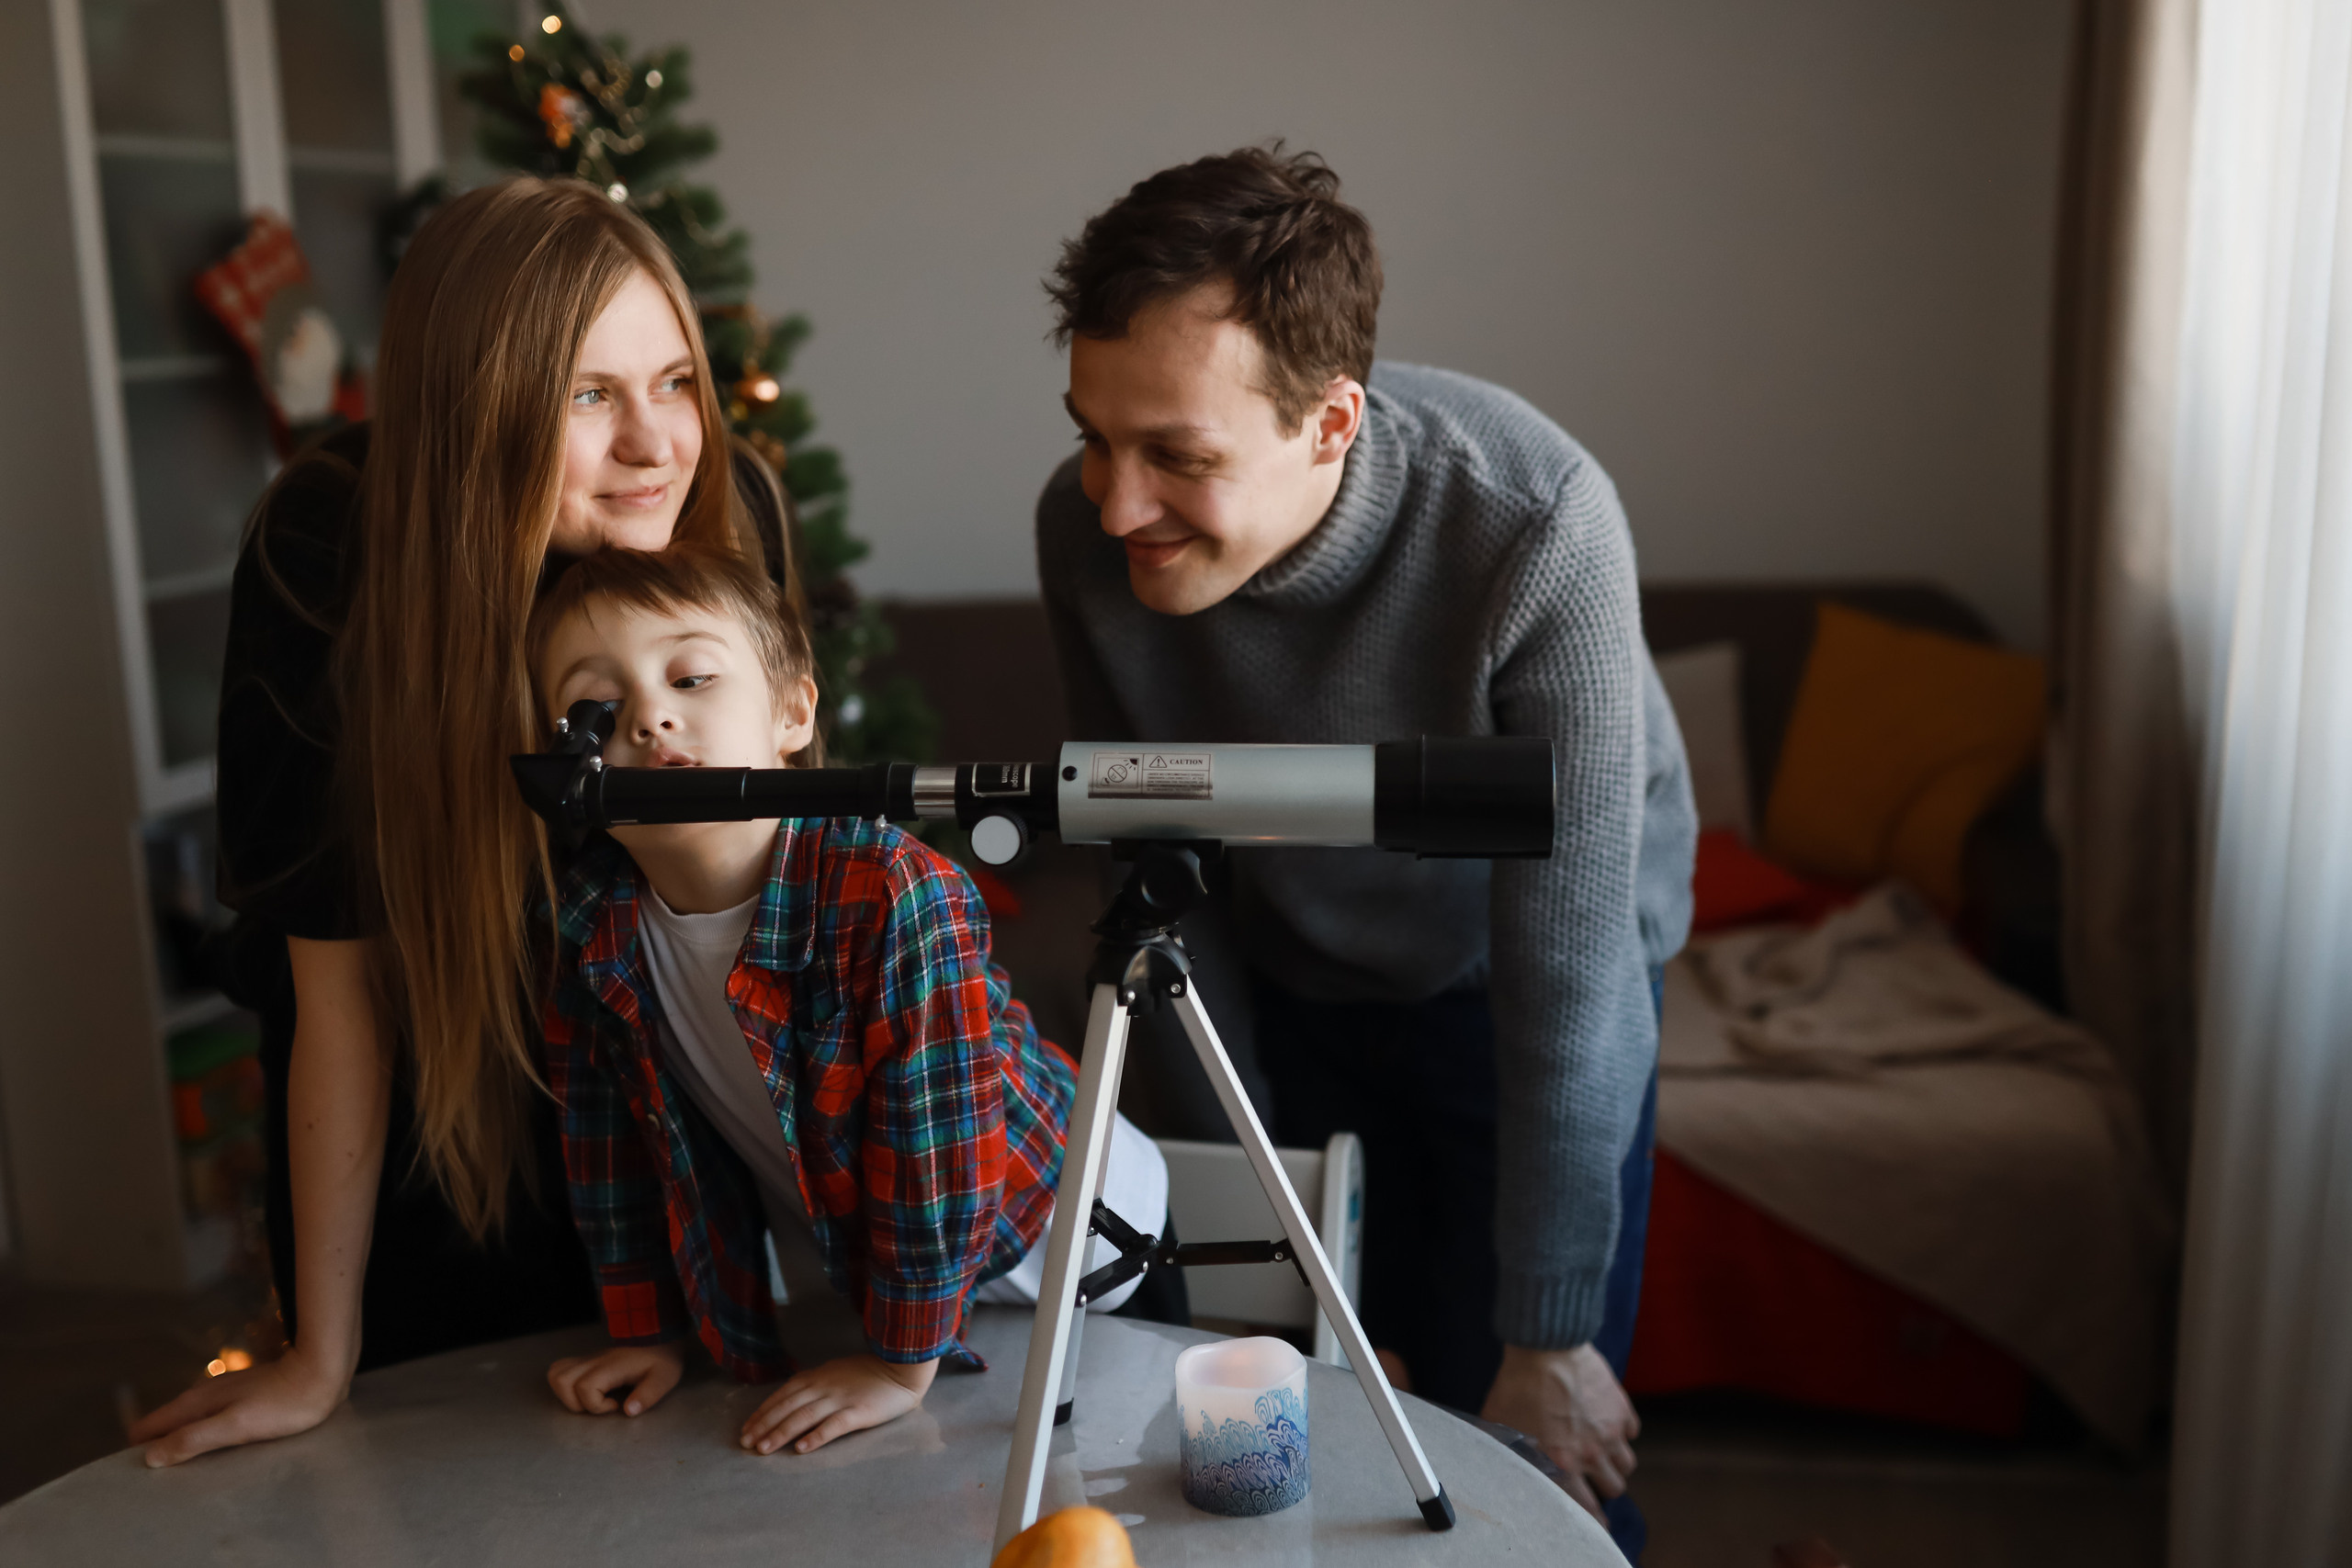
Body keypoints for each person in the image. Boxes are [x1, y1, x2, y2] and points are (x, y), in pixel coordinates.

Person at [1034, 146, 1695, 1555]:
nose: (1114, 503)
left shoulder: (1534, 522)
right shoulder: (1086, 535)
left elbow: (1570, 968)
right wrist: (1256, 1256)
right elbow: (1154, 879)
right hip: (1278, 976)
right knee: (1263, 1453)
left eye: (1178, 457)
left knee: (1521, 1460)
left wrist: (1551, 1331)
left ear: (1330, 421)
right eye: (1096, 435)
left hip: (1510, 998)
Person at [131, 177, 802, 1466]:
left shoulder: (734, 513)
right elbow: (337, 995)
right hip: (442, 1132)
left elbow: (788, 917)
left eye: (673, 381)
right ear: (474, 408)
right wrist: (317, 1352)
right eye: (589, 395)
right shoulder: (326, 552)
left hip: (685, 1115)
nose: (659, 443)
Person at [523, 547, 1164, 1453]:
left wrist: (899, 1366)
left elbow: (932, 1150)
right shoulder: (593, 926)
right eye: (598, 702)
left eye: (692, 677)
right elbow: (610, 1145)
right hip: (891, 1292)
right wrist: (648, 1329)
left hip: (1075, 1246)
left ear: (791, 711)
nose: (651, 715)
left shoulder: (893, 894)